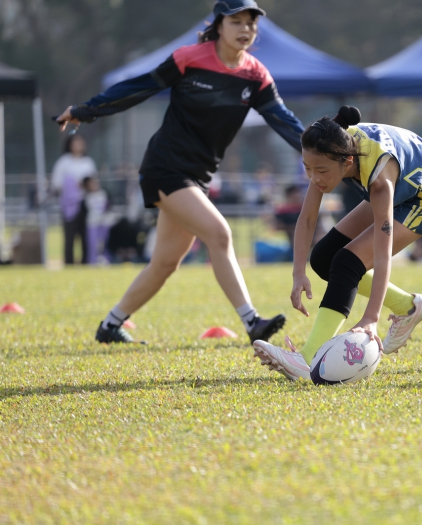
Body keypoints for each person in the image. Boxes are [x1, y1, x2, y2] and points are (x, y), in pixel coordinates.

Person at [55, 0, 303, 344]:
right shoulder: (190, 58)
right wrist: (87, 110)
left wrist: (323, 150)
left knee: (165, 263)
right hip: (165, 167)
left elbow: (284, 121)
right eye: (236, 22)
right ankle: (252, 322)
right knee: (219, 233)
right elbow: (139, 87)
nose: (245, 29)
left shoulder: (256, 75)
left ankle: (110, 326)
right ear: (219, 25)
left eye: (251, 23)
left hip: (198, 177)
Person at [253, 106, 422, 382]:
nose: (314, 178)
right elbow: (307, 219)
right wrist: (298, 273)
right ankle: (409, 306)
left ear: (347, 162)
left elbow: (382, 254)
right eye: (307, 168)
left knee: (347, 261)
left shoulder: (379, 181)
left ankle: (305, 359)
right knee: (323, 258)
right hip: (400, 184)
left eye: (321, 170)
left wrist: (371, 317)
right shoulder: (330, 148)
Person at [51, 134, 95, 265]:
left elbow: (93, 182)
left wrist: (85, 185)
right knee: (69, 236)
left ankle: (85, 262)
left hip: (84, 202)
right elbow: (56, 183)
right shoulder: (64, 162)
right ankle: (69, 263)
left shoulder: (88, 162)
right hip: (68, 205)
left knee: (84, 235)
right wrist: (71, 186)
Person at [82, 175, 110, 264]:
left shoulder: (103, 193)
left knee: (105, 243)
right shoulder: (86, 196)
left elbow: (108, 206)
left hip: (103, 222)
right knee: (92, 244)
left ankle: (106, 260)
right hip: (92, 223)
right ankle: (92, 262)